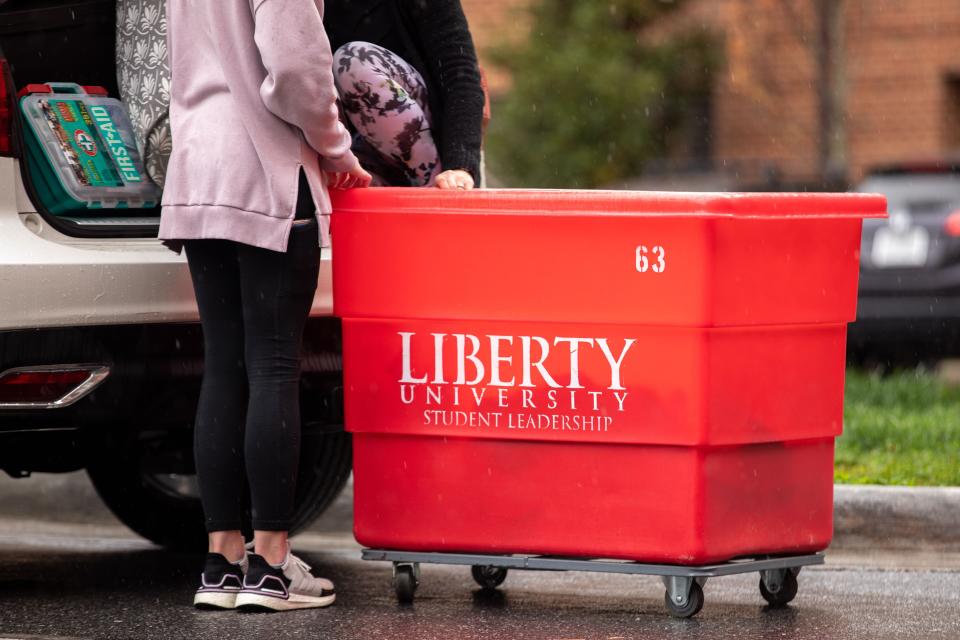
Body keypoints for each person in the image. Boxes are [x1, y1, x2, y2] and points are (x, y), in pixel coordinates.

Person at [159, 0, 370, 612]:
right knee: (274, 364)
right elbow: (298, 72)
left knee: (223, 364)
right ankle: (272, 564)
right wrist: (337, 148)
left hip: (199, 167)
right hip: (266, 166)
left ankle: (222, 561)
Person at [323, 0, 486, 190]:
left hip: (430, 148)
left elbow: (459, 73)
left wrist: (460, 166)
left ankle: (431, 187)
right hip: (349, 155)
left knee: (352, 61)